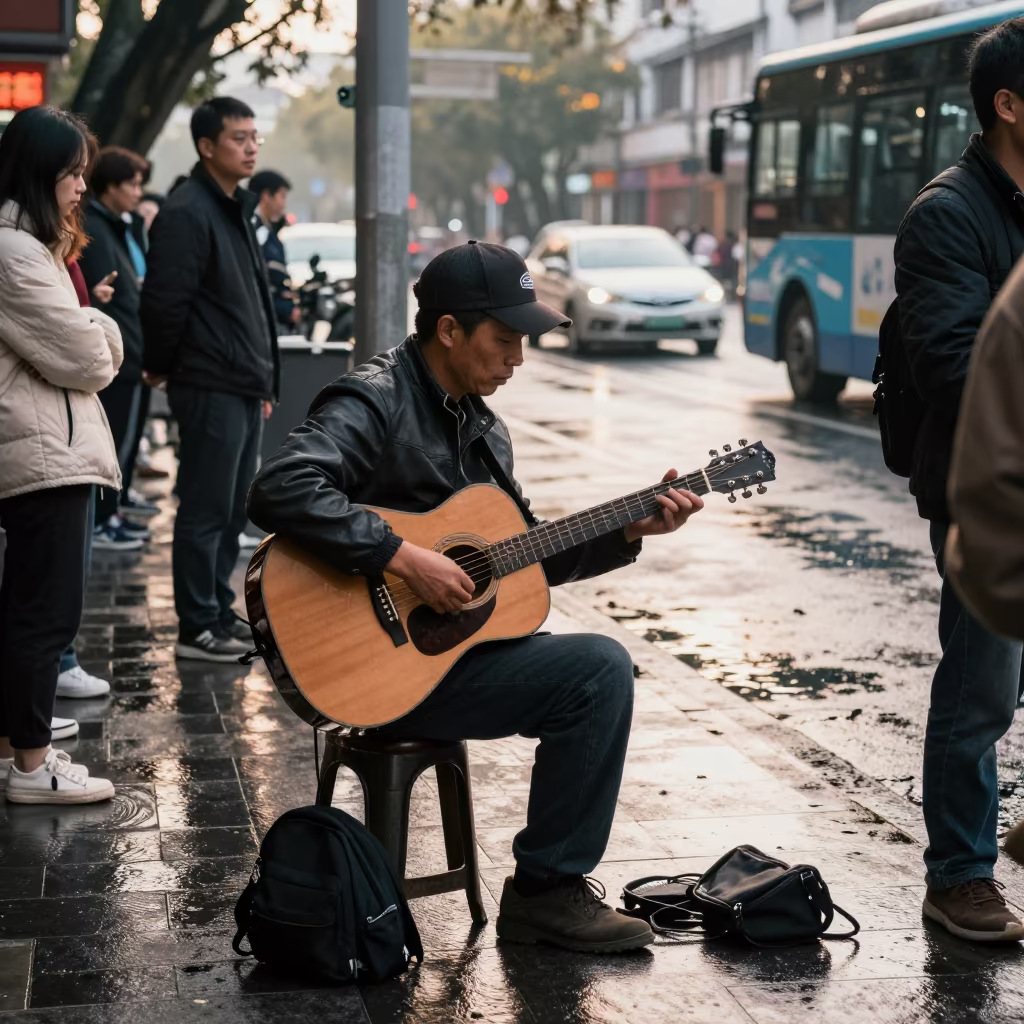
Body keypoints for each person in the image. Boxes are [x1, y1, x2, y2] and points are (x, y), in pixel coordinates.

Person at [248, 241, 705, 953]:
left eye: (523, 342)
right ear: (450, 329)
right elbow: (280, 487)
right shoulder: (374, 399)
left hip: (447, 659)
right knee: (602, 669)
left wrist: (629, 530)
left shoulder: (485, 431)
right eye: (505, 339)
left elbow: (521, 565)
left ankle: (544, 889)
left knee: (597, 671)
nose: (517, 359)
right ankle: (550, 894)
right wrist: (403, 556)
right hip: (372, 666)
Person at [893, 17, 1024, 942]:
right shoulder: (947, 215)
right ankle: (960, 875)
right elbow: (958, 363)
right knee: (982, 690)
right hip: (990, 496)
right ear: (1010, 106)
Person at [0, 105, 120, 804]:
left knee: (24, 611)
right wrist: (100, 324)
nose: (81, 186)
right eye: (71, 172)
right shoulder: (16, 252)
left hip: (45, 444)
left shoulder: (25, 245)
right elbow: (87, 358)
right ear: (38, 173)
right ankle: (32, 768)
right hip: (42, 452)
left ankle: (17, 753)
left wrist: (85, 327)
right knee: (44, 614)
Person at [141, 97, 278, 662]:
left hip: (242, 382)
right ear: (206, 146)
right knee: (203, 507)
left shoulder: (231, 207)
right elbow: (164, 301)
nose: (250, 148)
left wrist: (265, 380)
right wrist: (164, 366)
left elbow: (250, 303)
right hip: (209, 381)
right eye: (237, 138)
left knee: (230, 509)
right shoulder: (187, 210)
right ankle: (196, 626)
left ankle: (218, 611)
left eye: (254, 137)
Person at [81, 145, 157, 551]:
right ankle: (102, 519)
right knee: (109, 444)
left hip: (129, 351)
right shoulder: (93, 226)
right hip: (111, 356)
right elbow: (97, 297)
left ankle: (112, 511)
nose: (137, 192)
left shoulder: (117, 226)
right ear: (109, 185)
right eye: (132, 183)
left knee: (122, 441)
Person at [249, 169, 299, 331]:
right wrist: (281, 306)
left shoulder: (267, 229)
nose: (283, 204)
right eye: (281, 196)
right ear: (266, 196)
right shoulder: (256, 231)